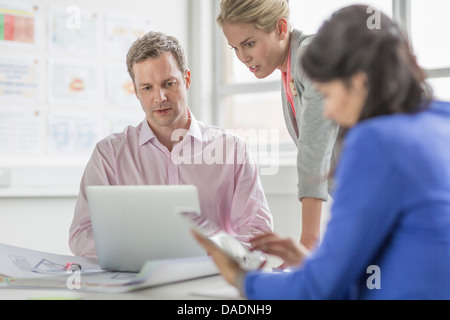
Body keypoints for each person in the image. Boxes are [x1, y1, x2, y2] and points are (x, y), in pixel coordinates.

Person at [194, 5, 450, 300]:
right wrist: (318, 264)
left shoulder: (373, 141)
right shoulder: (440, 118)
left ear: (358, 81)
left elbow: (316, 290)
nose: (326, 110)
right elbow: (384, 264)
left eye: (327, 94)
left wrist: (241, 278)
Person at [69, 31, 273, 258]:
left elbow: (257, 232)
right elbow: (81, 233)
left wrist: (209, 255)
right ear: (136, 91)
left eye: (169, 83)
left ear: (186, 80)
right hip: (136, 285)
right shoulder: (109, 154)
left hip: (212, 283)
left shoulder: (232, 151)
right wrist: (139, 254)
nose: (160, 97)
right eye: (147, 88)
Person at [217, 0, 339, 250]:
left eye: (249, 44)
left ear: (281, 29)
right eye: (234, 48)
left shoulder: (309, 56)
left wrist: (308, 243)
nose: (242, 57)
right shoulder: (288, 72)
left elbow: (314, 148)